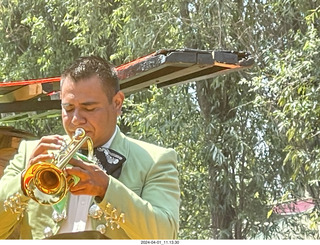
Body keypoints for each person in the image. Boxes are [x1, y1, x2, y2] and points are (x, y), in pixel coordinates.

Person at [0, 56, 180, 239]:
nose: (76, 119)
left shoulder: (155, 160)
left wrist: (107, 189)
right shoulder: (29, 153)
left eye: (89, 108)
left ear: (117, 103)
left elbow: (165, 237)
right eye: (68, 109)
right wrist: (23, 183)